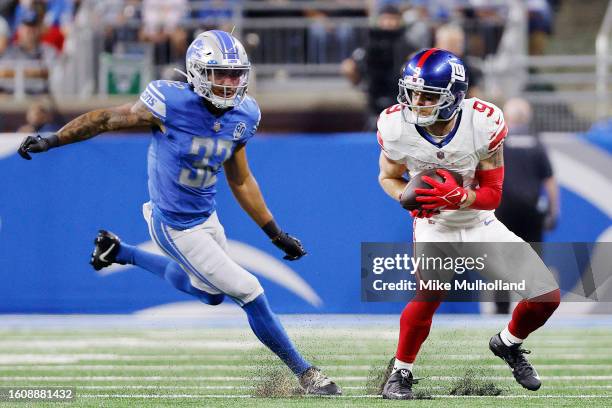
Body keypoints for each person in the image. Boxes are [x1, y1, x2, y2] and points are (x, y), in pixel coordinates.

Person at [17, 30, 341, 396]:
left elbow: (241, 179)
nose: (230, 83)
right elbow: (106, 119)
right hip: (173, 224)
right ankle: (306, 373)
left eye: (236, 74)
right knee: (249, 290)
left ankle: (120, 253)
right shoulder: (168, 103)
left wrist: (275, 233)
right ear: (198, 72)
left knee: (212, 294)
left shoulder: (246, 113)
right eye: (220, 74)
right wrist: (53, 138)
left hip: (207, 217)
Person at [376, 48, 560, 399]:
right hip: (435, 225)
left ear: (454, 97)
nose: (416, 102)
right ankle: (400, 374)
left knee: (546, 297)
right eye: (412, 92)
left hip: (478, 221)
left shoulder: (483, 122)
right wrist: (408, 200)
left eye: (427, 95)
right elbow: (387, 177)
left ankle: (508, 343)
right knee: (429, 295)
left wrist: (460, 197)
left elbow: (492, 193)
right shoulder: (395, 125)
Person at [494, 97, 559, 314]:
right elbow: (549, 181)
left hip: (504, 208)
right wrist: (553, 210)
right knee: (533, 257)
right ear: (527, 116)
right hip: (532, 209)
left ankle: (501, 306)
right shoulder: (536, 143)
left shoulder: (498, 142)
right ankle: (535, 304)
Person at [341, 5, 418, 130]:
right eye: (385, 19)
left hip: (400, 100)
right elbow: (351, 67)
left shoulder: (407, 46)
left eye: (392, 19)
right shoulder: (369, 44)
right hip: (374, 99)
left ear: (399, 21)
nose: (388, 23)